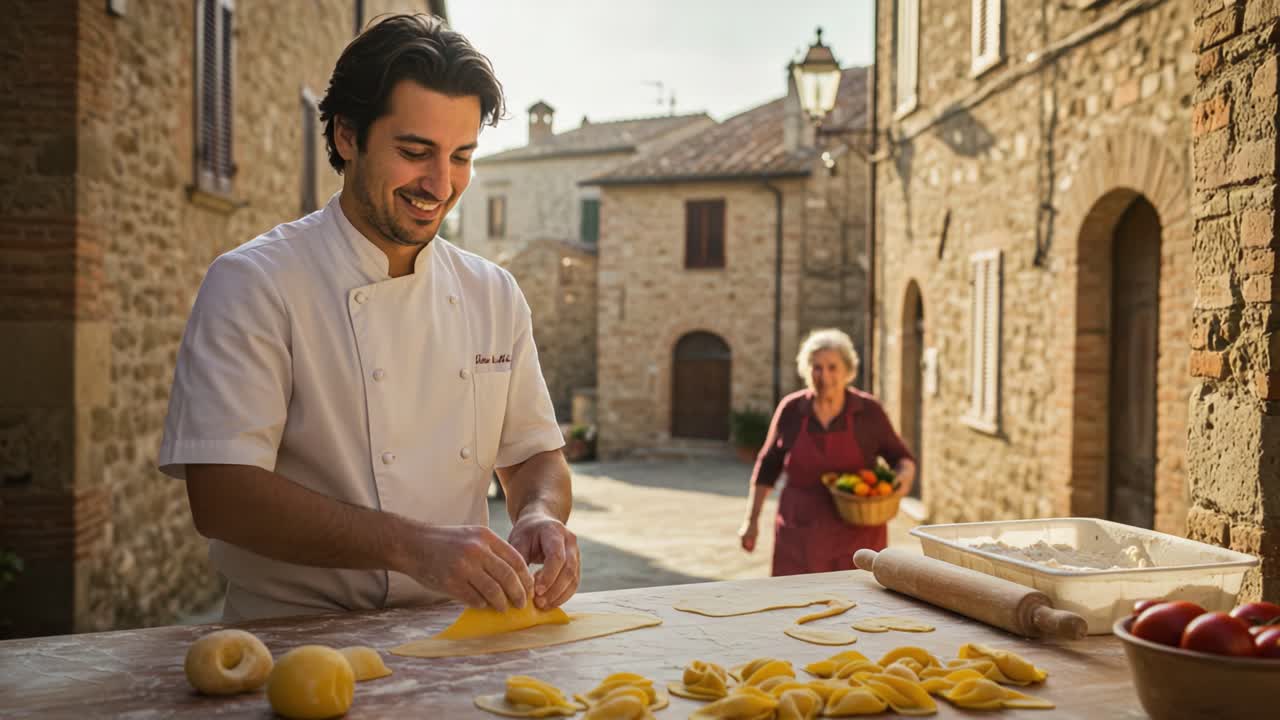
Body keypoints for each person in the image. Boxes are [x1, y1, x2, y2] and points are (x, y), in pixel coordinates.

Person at [158, 15, 578, 622]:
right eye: (415, 152)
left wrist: (539, 513)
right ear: (347, 135)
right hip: (291, 638)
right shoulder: (254, 283)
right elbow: (224, 496)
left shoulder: (493, 294)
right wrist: (413, 546)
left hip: (456, 636)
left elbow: (535, 456)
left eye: (461, 156)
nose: (441, 183)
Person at [738, 329, 916, 575]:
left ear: (847, 371)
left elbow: (902, 459)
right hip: (800, 533)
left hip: (857, 537)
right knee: (795, 605)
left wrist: (901, 482)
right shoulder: (791, 409)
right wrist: (751, 521)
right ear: (806, 370)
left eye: (832, 367)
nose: (824, 376)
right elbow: (768, 466)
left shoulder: (868, 412)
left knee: (858, 607)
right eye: (816, 367)